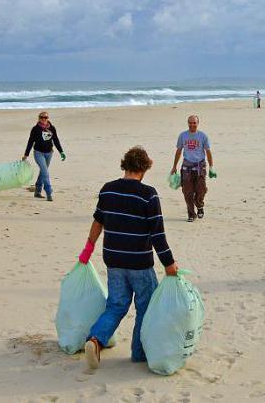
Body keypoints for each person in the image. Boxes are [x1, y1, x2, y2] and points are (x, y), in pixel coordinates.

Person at [78, 146, 178, 369]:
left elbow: (98, 222)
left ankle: (95, 340)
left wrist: (87, 249)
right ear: (143, 169)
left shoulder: (108, 190)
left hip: (113, 260)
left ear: (125, 165)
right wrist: (169, 264)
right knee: (145, 307)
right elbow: (158, 235)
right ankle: (138, 353)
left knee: (116, 305)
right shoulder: (148, 194)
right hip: (140, 263)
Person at [170, 115, 215, 222]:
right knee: (187, 192)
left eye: (194, 123)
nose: (192, 125)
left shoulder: (203, 136)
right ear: (187, 123)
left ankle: (199, 205)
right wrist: (174, 166)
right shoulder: (183, 135)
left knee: (201, 190)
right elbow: (178, 151)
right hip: (186, 167)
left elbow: (208, 152)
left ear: (198, 123)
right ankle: (191, 214)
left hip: (200, 166)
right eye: (190, 123)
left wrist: (211, 167)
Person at [22, 111, 65, 201]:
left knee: (43, 172)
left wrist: (61, 151)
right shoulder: (35, 129)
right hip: (38, 153)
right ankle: (49, 193)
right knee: (45, 172)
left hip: (49, 153)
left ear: (48, 118)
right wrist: (26, 154)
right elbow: (30, 142)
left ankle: (37, 191)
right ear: (39, 118)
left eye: (45, 117)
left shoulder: (52, 128)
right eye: (41, 117)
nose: (43, 119)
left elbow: (56, 140)